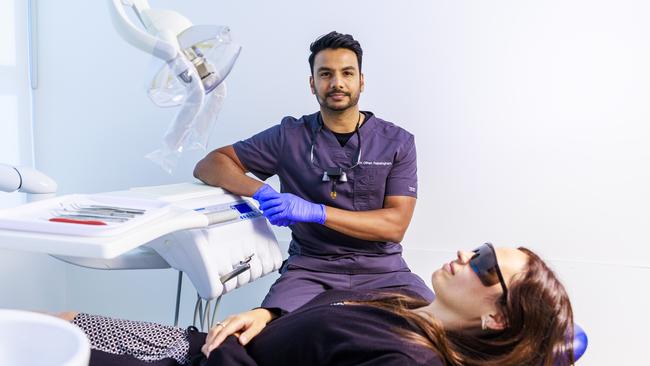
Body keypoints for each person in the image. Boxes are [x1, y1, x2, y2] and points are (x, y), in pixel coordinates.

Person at [193, 31, 434, 316]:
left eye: (347, 73)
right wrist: (260, 190)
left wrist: (316, 211)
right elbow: (210, 164)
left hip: (382, 269)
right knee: (273, 331)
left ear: (362, 81)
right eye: (325, 74)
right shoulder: (289, 137)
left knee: (436, 328)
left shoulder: (396, 142)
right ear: (312, 83)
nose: (337, 83)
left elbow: (394, 226)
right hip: (310, 268)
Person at [59, 244, 576, 366]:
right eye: (481, 247)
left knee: (40, 348)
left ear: (497, 318)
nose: (467, 253)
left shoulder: (408, 361)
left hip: (201, 363)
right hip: (207, 345)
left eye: (485, 265)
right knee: (60, 323)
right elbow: (330, 286)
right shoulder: (411, 297)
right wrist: (269, 313)